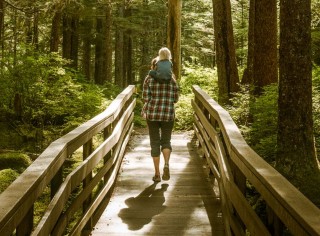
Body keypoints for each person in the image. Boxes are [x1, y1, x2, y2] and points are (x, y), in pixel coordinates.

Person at [142, 51, 179, 182]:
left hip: (152, 115)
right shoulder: (172, 80)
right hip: (168, 114)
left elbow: (145, 97)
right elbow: (175, 99)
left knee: (154, 143)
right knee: (166, 141)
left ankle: (157, 174)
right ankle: (167, 165)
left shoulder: (149, 78)